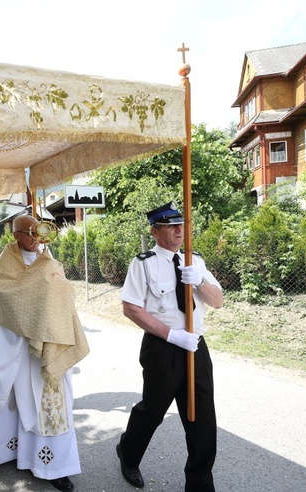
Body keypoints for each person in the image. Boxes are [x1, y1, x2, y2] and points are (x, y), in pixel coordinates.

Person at [115, 202, 224, 491]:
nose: (179, 230)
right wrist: (172, 336)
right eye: (170, 226)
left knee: (203, 421)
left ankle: (199, 484)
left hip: (196, 348)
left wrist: (199, 281)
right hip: (163, 348)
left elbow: (218, 301)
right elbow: (131, 308)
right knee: (152, 411)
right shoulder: (143, 263)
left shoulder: (195, 260)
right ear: (155, 231)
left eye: (181, 225)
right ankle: (128, 453)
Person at [0, 214, 89, 492]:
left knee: (50, 404)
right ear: (15, 235)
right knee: (11, 399)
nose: (35, 237)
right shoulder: (4, 266)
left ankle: (54, 467)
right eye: (28, 232)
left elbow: (64, 299)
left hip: (46, 348)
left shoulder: (50, 263)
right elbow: (6, 301)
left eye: (37, 230)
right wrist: (35, 305)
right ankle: (5, 452)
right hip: (15, 347)